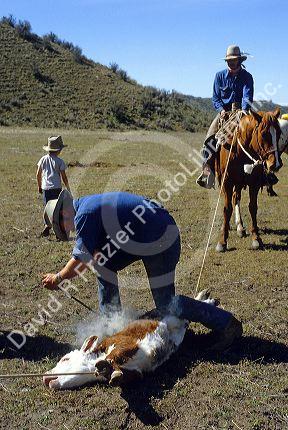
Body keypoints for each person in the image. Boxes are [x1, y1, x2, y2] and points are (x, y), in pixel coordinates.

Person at [41, 190, 243, 350]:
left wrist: (58, 278)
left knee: (166, 304)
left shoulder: (83, 215)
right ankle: (112, 323)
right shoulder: (87, 207)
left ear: (64, 213)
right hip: (149, 235)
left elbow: (79, 261)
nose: (69, 231)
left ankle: (226, 323)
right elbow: (93, 253)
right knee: (103, 264)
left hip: (161, 239)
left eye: (63, 227)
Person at [197, 45, 254, 189]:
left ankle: (265, 174)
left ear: (239, 60)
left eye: (234, 60)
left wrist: (244, 110)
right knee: (209, 140)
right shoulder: (219, 76)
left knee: (260, 137)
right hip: (224, 113)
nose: (231, 62)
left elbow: (247, 95)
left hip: (242, 112)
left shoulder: (247, 77)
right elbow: (215, 98)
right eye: (229, 60)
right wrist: (221, 110)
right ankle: (207, 174)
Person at [36, 135, 70, 237]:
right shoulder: (60, 161)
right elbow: (63, 177)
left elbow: (38, 174)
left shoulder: (43, 159)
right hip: (56, 188)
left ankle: (47, 225)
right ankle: (58, 231)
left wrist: (39, 186)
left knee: (48, 208)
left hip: (46, 188)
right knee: (58, 209)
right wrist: (67, 187)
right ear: (59, 150)